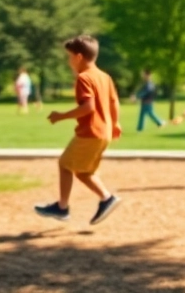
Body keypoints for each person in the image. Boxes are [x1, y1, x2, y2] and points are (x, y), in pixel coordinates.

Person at [35, 35, 122, 225]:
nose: (69, 61)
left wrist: (60, 116)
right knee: (83, 172)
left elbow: (88, 107)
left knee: (65, 164)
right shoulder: (104, 77)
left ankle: (62, 207)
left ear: (79, 57)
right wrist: (115, 124)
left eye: (69, 56)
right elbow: (115, 103)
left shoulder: (84, 78)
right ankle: (106, 198)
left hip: (91, 132)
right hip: (104, 132)